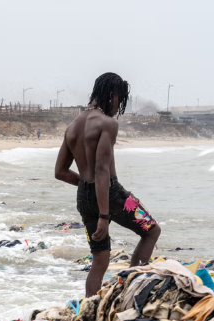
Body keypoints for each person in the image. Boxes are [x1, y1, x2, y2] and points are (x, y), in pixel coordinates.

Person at [54, 72, 161, 297]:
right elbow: (102, 170)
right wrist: (104, 215)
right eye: (120, 100)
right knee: (151, 231)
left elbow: (61, 172)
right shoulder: (107, 124)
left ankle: (89, 311)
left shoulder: (72, 126)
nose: (118, 107)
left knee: (99, 260)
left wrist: (87, 188)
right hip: (112, 194)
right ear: (111, 94)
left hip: (84, 196)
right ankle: (132, 291)